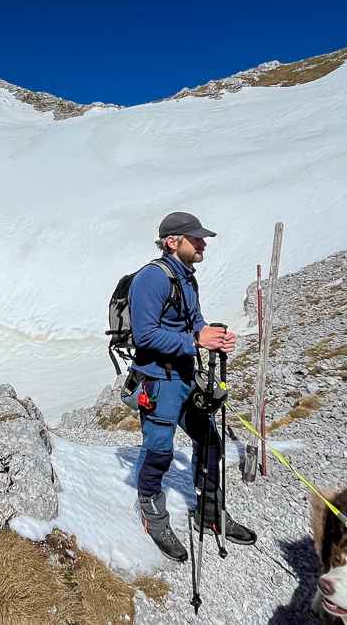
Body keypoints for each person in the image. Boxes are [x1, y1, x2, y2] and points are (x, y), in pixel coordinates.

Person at [129, 211, 257, 561]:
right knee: (159, 449)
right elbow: (145, 335)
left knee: (210, 443)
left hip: (186, 377)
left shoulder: (187, 278)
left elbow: (193, 321)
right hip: (159, 380)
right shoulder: (151, 279)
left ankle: (209, 513)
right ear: (173, 242)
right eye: (196, 238)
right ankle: (152, 513)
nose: (203, 244)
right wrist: (195, 339)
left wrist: (212, 337)